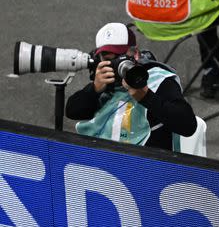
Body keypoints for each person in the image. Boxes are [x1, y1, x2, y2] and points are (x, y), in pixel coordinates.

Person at [65, 23, 197, 152]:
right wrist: (93, 89)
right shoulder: (105, 80)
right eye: (107, 59)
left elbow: (188, 125)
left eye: (118, 57)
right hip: (103, 158)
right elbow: (72, 111)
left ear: (135, 54)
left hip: (146, 163)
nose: (114, 65)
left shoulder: (157, 79)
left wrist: (146, 97)